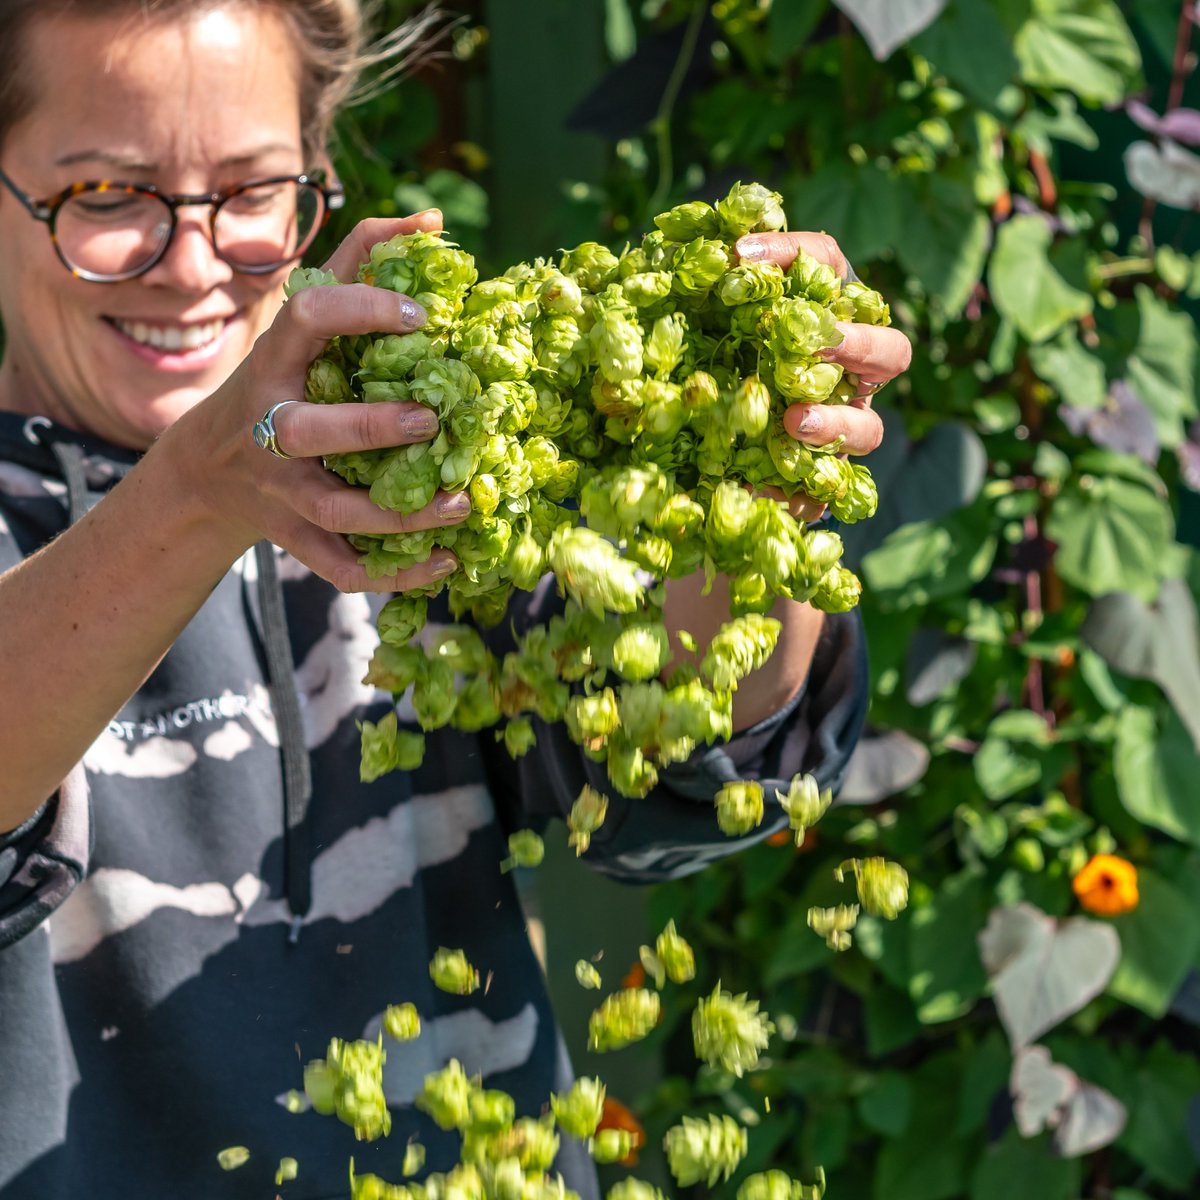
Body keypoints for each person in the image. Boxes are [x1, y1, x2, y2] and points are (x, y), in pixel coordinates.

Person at [0, 1, 911, 1197]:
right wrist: (196, 494)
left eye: (253, 190)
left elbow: (678, 791)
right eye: (108, 195)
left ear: (316, 177)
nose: (193, 263)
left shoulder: (427, 459)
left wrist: (746, 470)